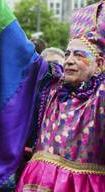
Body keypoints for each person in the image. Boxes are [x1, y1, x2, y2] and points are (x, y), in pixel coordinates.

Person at [16, 1, 105, 191]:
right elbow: (21, 54)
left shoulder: (100, 96)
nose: (70, 60)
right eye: (67, 54)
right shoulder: (52, 88)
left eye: (79, 55)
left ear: (98, 64)